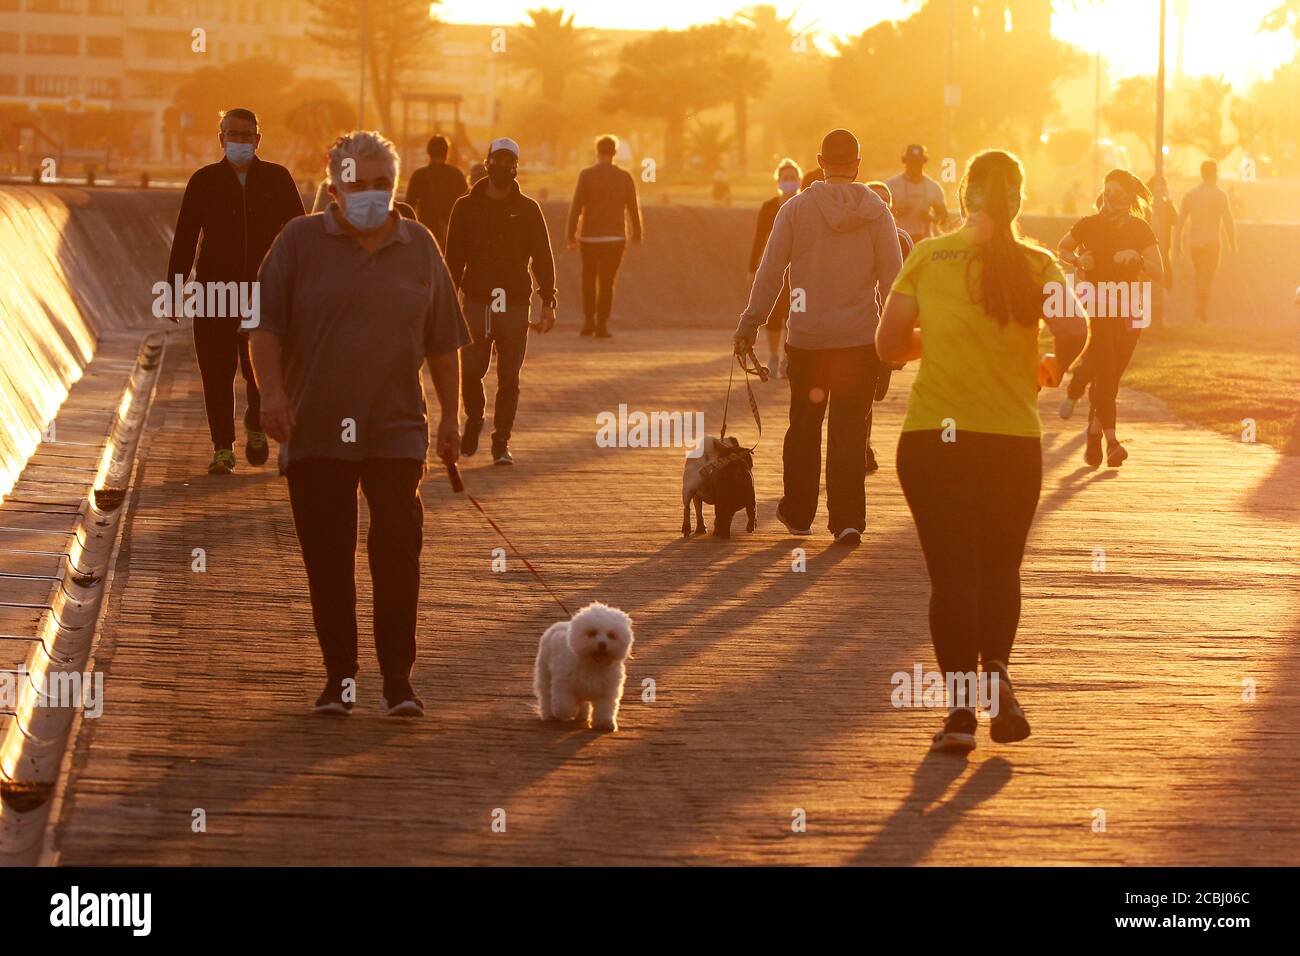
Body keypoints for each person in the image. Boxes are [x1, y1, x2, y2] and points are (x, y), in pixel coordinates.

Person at [250, 130, 470, 717]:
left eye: (381, 185)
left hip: (395, 431)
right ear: (334, 184)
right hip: (314, 428)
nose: (370, 194)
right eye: (357, 183)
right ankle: (340, 678)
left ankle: (399, 681)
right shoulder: (298, 242)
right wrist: (271, 395)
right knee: (329, 559)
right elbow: (264, 327)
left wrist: (453, 415)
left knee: (397, 553)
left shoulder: (419, 244)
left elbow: (444, 342)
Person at [877, 149, 1087, 755]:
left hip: (932, 443)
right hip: (1010, 442)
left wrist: (939, 335)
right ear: (1018, 198)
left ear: (964, 195)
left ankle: (961, 714)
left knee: (951, 579)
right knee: (999, 570)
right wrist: (1050, 367)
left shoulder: (927, 255)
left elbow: (889, 345)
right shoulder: (1039, 263)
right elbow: (1073, 332)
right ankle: (996, 672)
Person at [734, 128, 903, 546]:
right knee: (850, 430)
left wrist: (749, 324)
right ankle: (847, 520)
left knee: (804, 426)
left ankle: (798, 512)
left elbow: (770, 272)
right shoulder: (878, 211)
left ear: (820, 162)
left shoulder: (795, 209)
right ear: (858, 165)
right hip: (860, 340)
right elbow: (894, 278)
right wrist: (896, 336)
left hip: (808, 339)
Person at [165, 107, 305, 475]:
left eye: (247, 134)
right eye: (232, 133)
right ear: (220, 138)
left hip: (264, 293)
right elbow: (184, 237)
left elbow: (299, 235)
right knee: (216, 370)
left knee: (258, 368)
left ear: (258, 139)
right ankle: (222, 447)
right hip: (214, 291)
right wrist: (174, 289)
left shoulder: (277, 178)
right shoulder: (204, 181)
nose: (239, 140)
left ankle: (256, 423)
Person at [445, 137, 557, 466]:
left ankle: (501, 442)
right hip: (477, 301)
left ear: (516, 167)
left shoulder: (528, 210)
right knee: (472, 370)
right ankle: (475, 419)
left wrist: (548, 301)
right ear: (487, 161)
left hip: (514, 303)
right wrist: (446, 302)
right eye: (499, 160)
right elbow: (452, 259)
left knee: (509, 378)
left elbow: (543, 259)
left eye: (510, 162)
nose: (504, 167)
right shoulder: (465, 207)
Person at [1056, 168, 1164, 468]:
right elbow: (1062, 248)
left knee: (1111, 375)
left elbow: (1159, 272)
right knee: (1104, 368)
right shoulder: (1088, 225)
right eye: (1108, 192)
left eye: (1118, 194)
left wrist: (1138, 258)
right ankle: (1113, 442)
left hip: (1128, 312)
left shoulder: (1140, 230)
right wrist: (1078, 259)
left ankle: (1093, 431)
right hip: (1097, 309)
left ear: (1129, 197)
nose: (1111, 199)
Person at [566, 135, 643, 338]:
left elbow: (576, 207)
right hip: (615, 238)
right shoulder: (625, 177)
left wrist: (571, 235)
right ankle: (602, 324)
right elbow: (633, 207)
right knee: (607, 281)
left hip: (589, 237)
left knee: (589, 279)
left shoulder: (586, 175)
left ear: (597, 152)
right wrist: (637, 232)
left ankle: (588, 320)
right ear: (615, 153)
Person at [864, 180, 914, 475]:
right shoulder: (850, 237)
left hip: (886, 328)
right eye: (875, 200)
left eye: (886, 201)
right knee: (862, 392)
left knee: (875, 392)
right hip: (858, 327)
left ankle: (860, 443)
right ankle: (861, 446)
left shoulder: (902, 240)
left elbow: (909, 287)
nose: (881, 206)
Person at [746, 158, 803, 378]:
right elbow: (759, 239)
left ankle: (789, 358)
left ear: (799, 180)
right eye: (785, 178)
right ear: (778, 182)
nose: (789, 182)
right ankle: (773, 356)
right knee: (773, 314)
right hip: (774, 269)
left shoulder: (805, 206)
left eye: (793, 178)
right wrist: (752, 268)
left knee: (795, 314)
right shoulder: (769, 208)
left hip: (799, 271)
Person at [1176, 160, 1237, 323]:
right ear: (1215, 173)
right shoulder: (1220, 195)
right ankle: (1201, 312)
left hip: (1194, 244)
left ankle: (1200, 311)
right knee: (1206, 278)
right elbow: (1228, 220)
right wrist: (1233, 243)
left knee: (1199, 276)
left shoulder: (1191, 195)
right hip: (1211, 243)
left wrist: (1177, 243)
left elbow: (1180, 221)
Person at [404, 133, 468, 251]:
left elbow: (408, 208)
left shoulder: (419, 176)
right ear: (447, 153)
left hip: (425, 236)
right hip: (452, 236)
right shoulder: (457, 175)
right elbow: (467, 207)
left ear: (428, 152)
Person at [885, 143, 949, 245]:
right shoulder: (891, 185)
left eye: (918, 162)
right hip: (898, 239)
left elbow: (944, 216)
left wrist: (931, 218)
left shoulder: (933, 187)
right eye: (912, 162)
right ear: (905, 161)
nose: (915, 165)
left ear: (924, 162)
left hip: (925, 241)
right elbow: (880, 214)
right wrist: (897, 212)